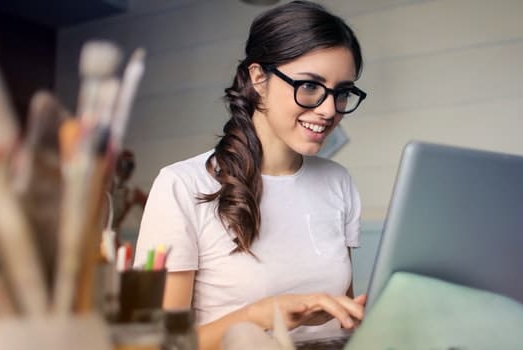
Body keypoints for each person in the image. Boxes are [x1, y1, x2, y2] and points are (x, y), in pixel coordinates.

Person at [134, 2, 368, 348]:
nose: (329, 109)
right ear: (259, 78)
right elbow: (158, 344)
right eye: (309, 86)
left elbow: (342, 322)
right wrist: (261, 315)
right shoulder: (182, 186)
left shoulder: (338, 182)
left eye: (342, 92)